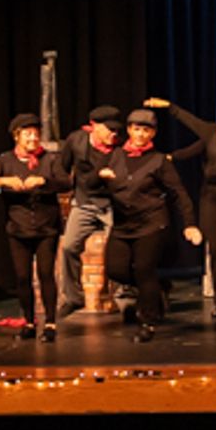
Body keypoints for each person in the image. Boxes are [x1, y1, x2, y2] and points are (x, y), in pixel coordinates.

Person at [144, 95, 216, 318]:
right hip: (211, 196)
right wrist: (170, 107)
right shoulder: (212, 132)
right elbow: (189, 122)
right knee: (215, 248)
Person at [102, 109, 202, 342]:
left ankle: (148, 321)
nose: (140, 134)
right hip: (123, 224)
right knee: (115, 270)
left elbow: (179, 194)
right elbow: (95, 182)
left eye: (146, 130)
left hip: (152, 223)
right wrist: (100, 178)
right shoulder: (115, 156)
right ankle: (158, 289)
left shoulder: (159, 161)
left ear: (153, 133)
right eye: (136, 129)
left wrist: (190, 224)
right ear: (128, 130)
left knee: (144, 270)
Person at [0, 113, 73, 341]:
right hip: (18, 228)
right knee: (22, 278)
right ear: (17, 136)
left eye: (35, 133)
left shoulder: (50, 159)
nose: (33, 137)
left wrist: (43, 181)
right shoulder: (6, 160)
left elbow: (66, 182)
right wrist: (4, 181)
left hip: (46, 228)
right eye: (28, 133)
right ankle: (30, 322)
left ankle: (50, 323)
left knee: (45, 274)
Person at [56, 105, 135, 317]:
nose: (114, 134)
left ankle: (125, 300)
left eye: (117, 130)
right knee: (69, 247)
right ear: (93, 127)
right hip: (86, 202)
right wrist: (64, 185)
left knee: (120, 250)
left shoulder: (121, 149)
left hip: (113, 204)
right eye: (109, 129)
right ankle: (74, 297)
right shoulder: (76, 141)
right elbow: (60, 167)